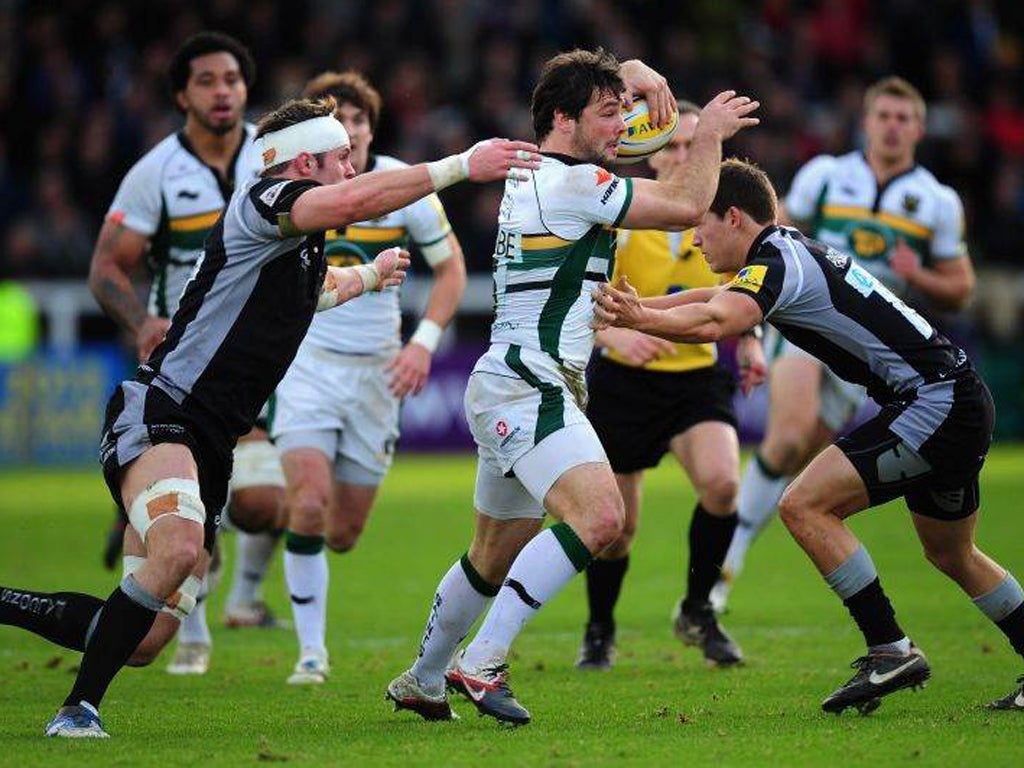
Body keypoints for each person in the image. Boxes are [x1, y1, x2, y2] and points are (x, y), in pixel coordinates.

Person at [0, 94, 540, 738]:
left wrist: (369, 276)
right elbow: (350, 203)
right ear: (303, 163)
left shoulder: (301, 245)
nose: (352, 168)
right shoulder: (264, 201)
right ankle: (76, 711)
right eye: (342, 158)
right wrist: (459, 165)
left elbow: (313, 295)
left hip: (212, 440)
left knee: (144, 640)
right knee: (176, 551)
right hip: (164, 410)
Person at [385, 48, 759, 726]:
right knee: (603, 519)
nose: (622, 126)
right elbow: (683, 204)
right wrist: (707, 136)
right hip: (532, 382)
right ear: (563, 120)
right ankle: (484, 660)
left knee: (492, 555)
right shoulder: (573, 181)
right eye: (609, 114)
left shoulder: (544, 174)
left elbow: (584, 86)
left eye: (623, 112)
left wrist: (631, 70)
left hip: (510, 378)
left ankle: (424, 677)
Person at [593, 158, 1024, 715]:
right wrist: (633, 309)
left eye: (702, 223)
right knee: (951, 552)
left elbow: (714, 323)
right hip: (955, 398)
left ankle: (889, 648)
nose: (695, 238)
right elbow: (704, 301)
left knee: (804, 505)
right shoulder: (787, 252)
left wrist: (637, 320)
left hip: (935, 403)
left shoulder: (775, 263)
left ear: (734, 217)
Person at [712, 77, 977, 613]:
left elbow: (962, 288)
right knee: (786, 438)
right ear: (867, 121)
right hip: (809, 322)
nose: (892, 126)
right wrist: (750, 319)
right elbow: (767, 239)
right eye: (884, 115)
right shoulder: (828, 176)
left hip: (868, 348)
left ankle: (743, 562)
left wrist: (919, 275)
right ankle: (722, 571)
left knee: (808, 459)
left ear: (919, 129)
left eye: (904, 118)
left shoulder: (937, 202)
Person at [86, 32, 286, 677]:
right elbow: (107, 268)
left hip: (257, 363)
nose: (222, 90)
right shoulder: (156, 174)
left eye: (231, 78)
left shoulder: (275, 154)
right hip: (188, 367)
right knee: (189, 515)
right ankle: (190, 628)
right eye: (206, 80)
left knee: (264, 504)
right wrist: (142, 319)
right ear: (181, 95)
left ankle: (241, 595)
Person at [258, 71, 467, 684]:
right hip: (307, 367)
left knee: (343, 532)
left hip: (378, 374)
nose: (347, 128)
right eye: (335, 119)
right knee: (311, 503)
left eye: (357, 119)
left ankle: (262, 540)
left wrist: (423, 344)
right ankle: (311, 653)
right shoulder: (290, 192)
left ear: (371, 129)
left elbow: (451, 270)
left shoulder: (403, 186)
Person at [576, 100, 765, 670]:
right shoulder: (621, 217)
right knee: (618, 530)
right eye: (674, 147)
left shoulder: (728, 220)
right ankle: (599, 628)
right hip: (624, 382)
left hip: (695, 380)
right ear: (650, 155)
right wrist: (616, 340)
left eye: (693, 146)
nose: (684, 156)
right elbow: (580, 301)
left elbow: (752, 291)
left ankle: (698, 610)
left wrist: (751, 343)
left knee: (723, 484)